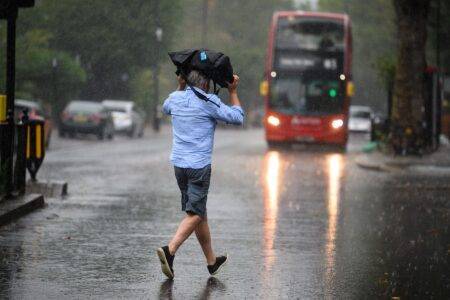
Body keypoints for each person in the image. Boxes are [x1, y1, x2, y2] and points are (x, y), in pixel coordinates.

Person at [157, 70, 244, 279]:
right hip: (198, 166)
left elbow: (165, 108)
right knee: (195, 212)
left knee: (199, 213)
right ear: (206, 84)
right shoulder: (209, 101)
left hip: (179, 165)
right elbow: (238, 117)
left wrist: (180, 86)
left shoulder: (175, 98)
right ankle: (170, 250)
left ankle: (211, 262)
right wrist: (232, 91)